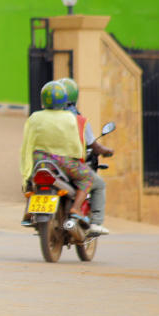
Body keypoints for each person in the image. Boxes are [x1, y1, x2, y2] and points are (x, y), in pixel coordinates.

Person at [19, 81, 96, 225]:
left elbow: (27, 143)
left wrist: (27, 164)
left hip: (40, 160)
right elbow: (76, 145)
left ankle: (28, 209)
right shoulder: (70, 118)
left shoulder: (34, 117)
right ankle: (76, 208)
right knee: (87, 177)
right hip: (64, 163)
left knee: (31, 181)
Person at [58, 77, 112, 235]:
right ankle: (95, 222)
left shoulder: (43, 117)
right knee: (98, 183)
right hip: (69, 164)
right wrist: (106, 151)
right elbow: (93, 145)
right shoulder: (79, 120)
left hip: (46, 162)